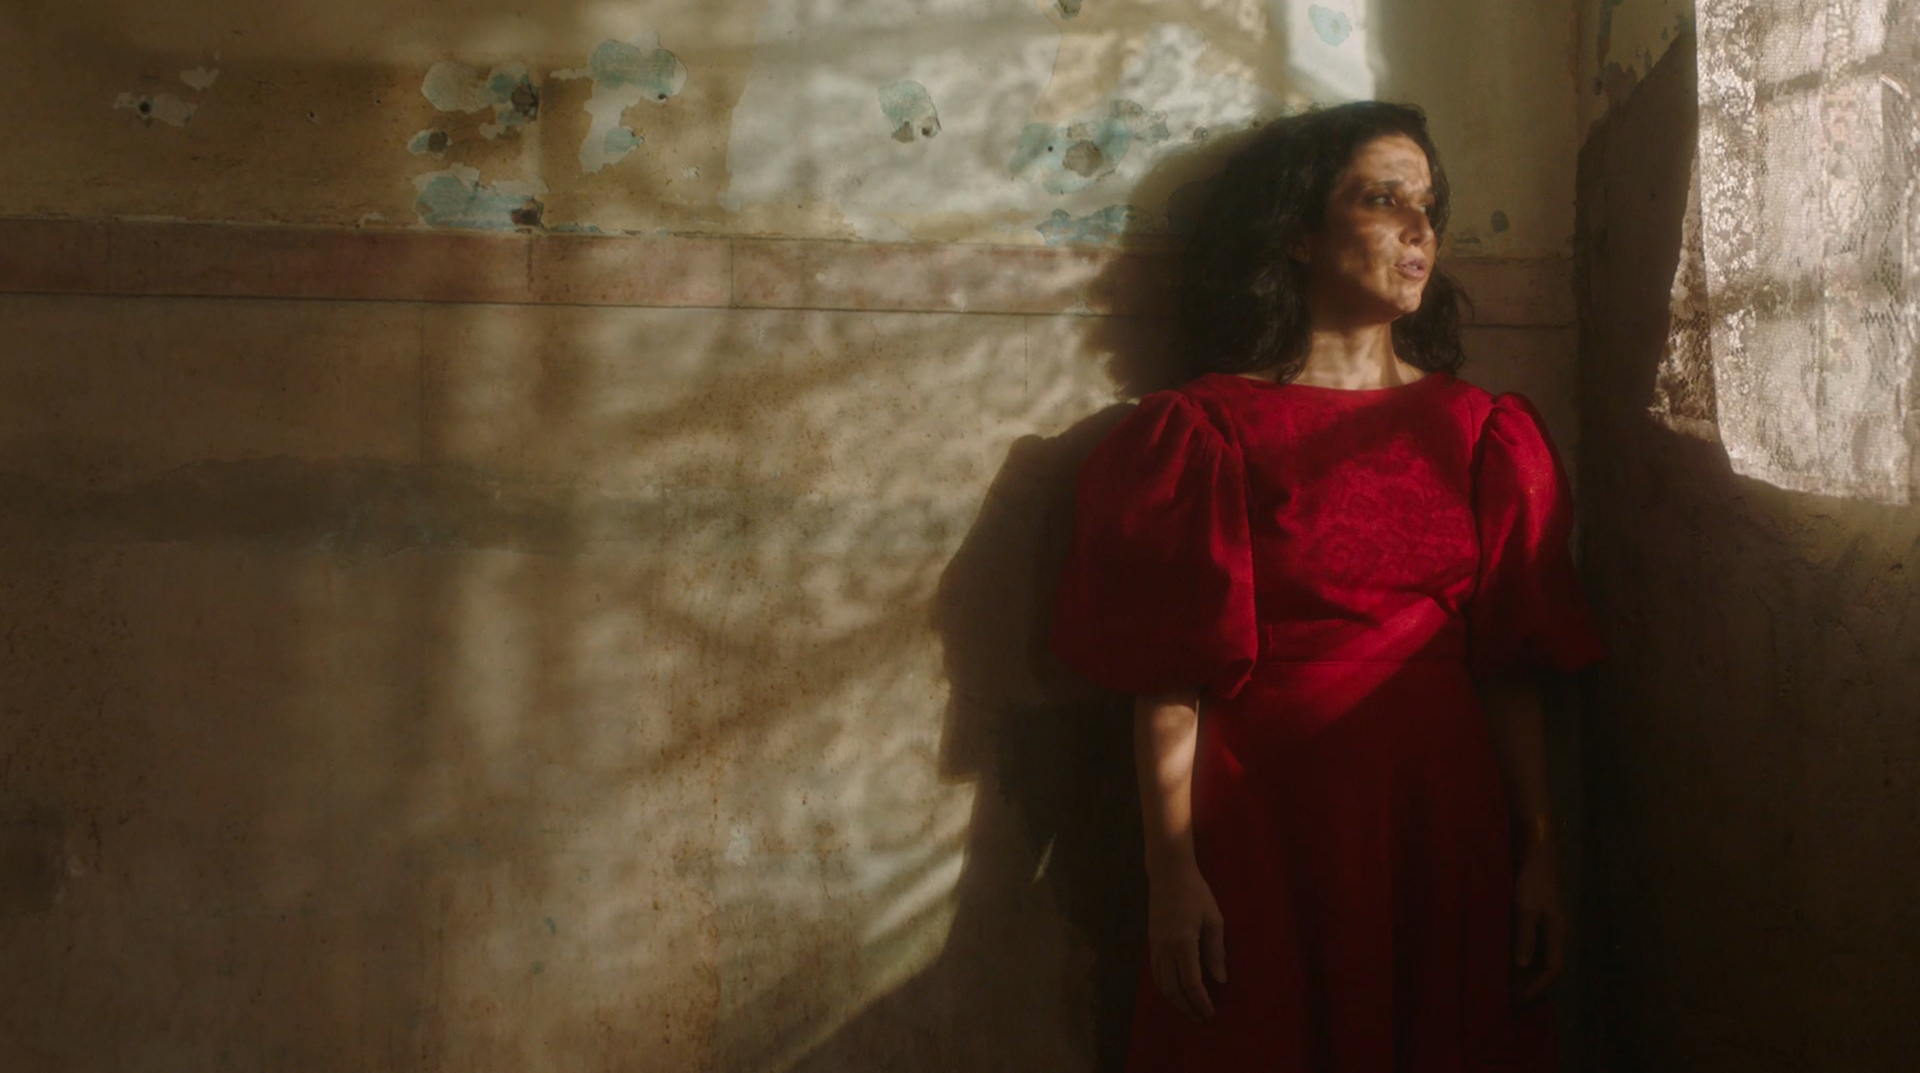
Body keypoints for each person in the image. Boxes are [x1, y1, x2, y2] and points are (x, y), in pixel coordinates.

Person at [1049, 101, 1606, 1072]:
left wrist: (1539, 855)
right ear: (1298, 233)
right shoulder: (1207, 430)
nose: (1418, 229)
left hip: (1442, 815)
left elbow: (1510, 669)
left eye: (1428, 206)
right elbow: (1171, 679)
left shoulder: (1482, 431)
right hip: (1265, 817)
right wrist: (1171, 871)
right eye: (1383, 200)